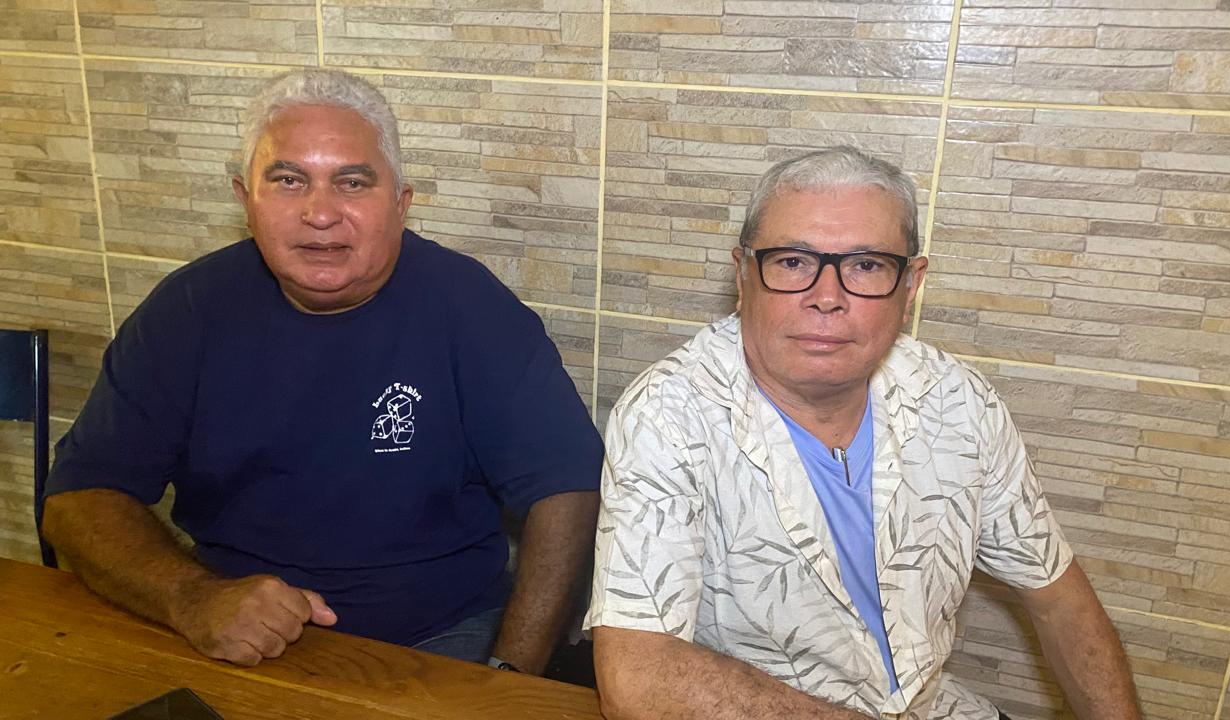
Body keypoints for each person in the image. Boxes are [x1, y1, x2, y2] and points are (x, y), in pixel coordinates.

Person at [41, 68, 602, 674]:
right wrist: (191, 597)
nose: (320, 213)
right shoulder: (186, 310)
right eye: (288, 181)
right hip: (226, 626)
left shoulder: (472, 308)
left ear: (401, 203)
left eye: (352, 182)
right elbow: (76, 498)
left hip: (439, 636)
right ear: (245, 201)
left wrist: (509, 676)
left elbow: (570, 488)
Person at [586, 146, 1143, 719]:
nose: (826, 298)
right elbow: (638, 676)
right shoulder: (667, 415)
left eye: (867, 266)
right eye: (792, 262)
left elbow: (1059, 601)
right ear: (743, 274)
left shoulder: (958, 398)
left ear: (912, 284)